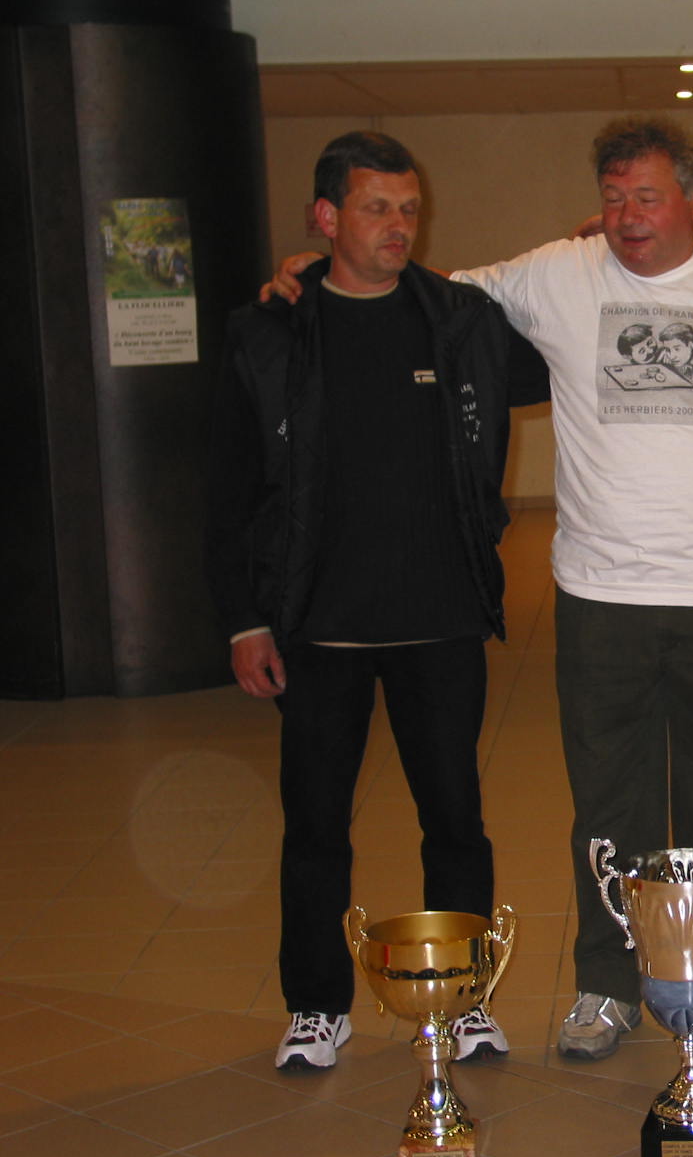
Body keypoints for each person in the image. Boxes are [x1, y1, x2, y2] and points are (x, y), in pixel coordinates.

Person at [274, 117, 693, 1060]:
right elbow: (418, 292)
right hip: (599, 597)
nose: (628, 216)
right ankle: (607, 984)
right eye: (613, 197)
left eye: (648, 197)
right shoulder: (554, 274)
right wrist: (313, 271)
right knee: (608, 809)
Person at [207, 131, 548, 1070]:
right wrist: (245, 619)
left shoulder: (461, 322)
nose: (398, 226)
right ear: (326, 218)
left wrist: (598, 245)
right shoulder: (268, 333)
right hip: (318, 628)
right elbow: (228, 490)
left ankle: (462, 998)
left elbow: (562, 344)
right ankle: (316, 1005)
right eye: (375, 208)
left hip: (441, 619)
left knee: (456, 821)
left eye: (408, 209)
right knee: (315, 828)